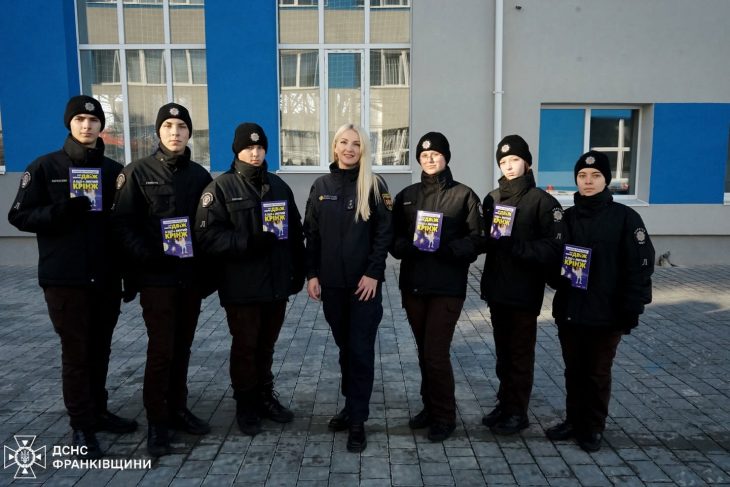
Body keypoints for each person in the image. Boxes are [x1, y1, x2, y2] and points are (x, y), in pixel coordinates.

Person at [8, 95, 137, 459]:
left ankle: (98, 411)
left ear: (101, 126)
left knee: (101, 349)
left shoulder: (113, 171)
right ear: (70, 123)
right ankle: (81, 425)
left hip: (105, 278)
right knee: (77, 353)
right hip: (65, 279)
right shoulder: (45, 166)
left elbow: (122, 226)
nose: (87, 125)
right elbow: (19, 215)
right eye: (80, 119)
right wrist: (60, 211)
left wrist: (128, 275)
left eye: (93, 120)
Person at [112, 103, 213, 457]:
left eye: (181, 127)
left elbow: (207, 226)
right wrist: (148, 257)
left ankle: (177, 409)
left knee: (183, 347)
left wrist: (206, 274)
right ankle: (157, 421)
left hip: (189, 278)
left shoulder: (199, 175)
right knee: (161, 349)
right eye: (168, 126)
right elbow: (122, 224)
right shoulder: (137, 172)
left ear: (189, 133)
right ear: (158, 132)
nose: (175, 132)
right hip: (156, 279)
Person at [194, 123, 305, 436]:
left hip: (275, 284)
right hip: (241, 286)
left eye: (259, 147)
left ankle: (265, 396)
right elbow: (207, 237)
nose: (255, 153)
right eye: (248, 148)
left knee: (266, 346)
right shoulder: (220, 188)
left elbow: (295, 232)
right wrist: (247, 242)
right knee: (245, 346)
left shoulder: (278, 186)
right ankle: (246, 403)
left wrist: (299, 269)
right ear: (237, 150)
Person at [547, 150, 654, 452]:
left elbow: (640, 265)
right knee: (573, 370)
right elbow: (553, 257)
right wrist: (557, 275)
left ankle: (593, 427)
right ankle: (573, 420)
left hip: (608, 313)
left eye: (595, 176)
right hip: (571, 309)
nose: (588, 181)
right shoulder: (567, 218)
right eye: (582, 176)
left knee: (597, 373)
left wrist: (632, 307)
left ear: (606, 180)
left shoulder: (625, 218)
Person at [303, 123, 393, 453]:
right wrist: (312, 274)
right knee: (345, 349)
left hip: (363, 287)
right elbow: (311, 234)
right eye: (343, 142)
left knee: (360, 350)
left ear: (363, 149)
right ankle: (350, 405)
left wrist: (373, 274)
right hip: (332, 287)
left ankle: (357, 420)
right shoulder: (321, 186)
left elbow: (384, 233)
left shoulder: (374, 185)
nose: (349, 148)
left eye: (355, 143)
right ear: (334, 146)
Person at [390, 132, 485, 442]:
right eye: (424, 155)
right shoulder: (407, 195)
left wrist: (449, 248)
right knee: (424, 351)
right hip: (415, 286)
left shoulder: (464, 195)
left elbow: (478, 239)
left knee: (435, 352)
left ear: (446, 156)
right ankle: (430, 407)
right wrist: (407, 247)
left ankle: (445, 416)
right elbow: (392, 238)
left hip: (447, 287)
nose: (430, 159)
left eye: (436, 154)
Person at [480, 134, 565, 435]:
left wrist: (518, 247)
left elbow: (554, 247)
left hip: (524, 291)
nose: (509, 166)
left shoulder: (543, 201)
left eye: (514, 160)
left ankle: (518, 412)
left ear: (527, 163)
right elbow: (484, 238)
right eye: (503, 161)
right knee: (503, 354)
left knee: (519, 355)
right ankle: (505, 403)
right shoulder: (492, 198)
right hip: (497, 288)